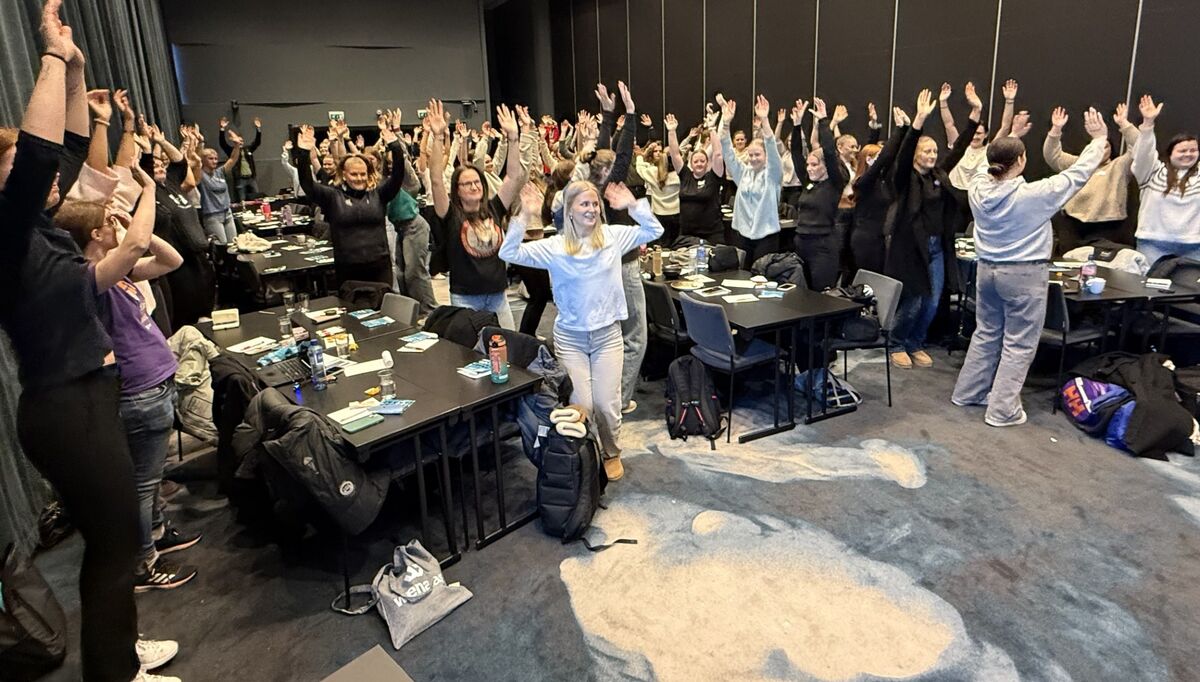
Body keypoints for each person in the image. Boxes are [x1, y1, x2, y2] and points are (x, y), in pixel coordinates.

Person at [0, 4, 179, 679]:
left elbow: (68, 154)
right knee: (114, 547)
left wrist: (75, 73)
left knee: (115, 546)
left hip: (88, 400)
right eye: (18, 166)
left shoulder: (44, 229)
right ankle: (116, 673)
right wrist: (48, 53)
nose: (43, 177)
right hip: (64, 407)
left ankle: (120, 650)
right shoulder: (6, 236)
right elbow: (43, 154)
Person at [59, 180, 203, 594]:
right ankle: (143, 562)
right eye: (108, 223)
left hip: (153, 384)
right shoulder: (90, 278)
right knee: (141, 483)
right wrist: (148, 191)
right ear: (93, 234)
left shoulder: (116, 274)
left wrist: (128, 223)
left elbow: (170, 259)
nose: (116, 228)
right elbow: (137, 245)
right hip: (138, 391)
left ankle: (155, 535)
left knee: (150, 478)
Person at [951, 107, 1111, 427]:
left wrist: (1010, 136)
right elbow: (1077, 174)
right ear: (1022, 161)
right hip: (1023, 275)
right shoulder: (1034, 194)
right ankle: (1002, 410)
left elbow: (987, 162)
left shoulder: (978, 187)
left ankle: (968, 392)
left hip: (987, 272)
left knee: (986, 333)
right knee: (1019, 344)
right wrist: (1099, 139)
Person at [500, 180, 663, 480]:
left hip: (607, 336)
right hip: (570, 338)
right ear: (570, 211)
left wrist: (632, 205)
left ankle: (611, 451)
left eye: (594, 203)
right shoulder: (555, 246)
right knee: (582, 404)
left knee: (607, 404)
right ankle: (586, 452)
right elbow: (508, 252)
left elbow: (655, 231)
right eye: (583, 204)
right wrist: (525, 216)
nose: (591, 209)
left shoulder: (614, 237)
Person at [885, 88, 980, 369]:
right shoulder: (904, 178)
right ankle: (898, 342)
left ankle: (916, 342)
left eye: (934, 151)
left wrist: (974, 116)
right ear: (915, 153)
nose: (932, 154)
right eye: (927, 150)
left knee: (933, 300)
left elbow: (959, 148)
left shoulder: (939, 174)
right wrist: (918, 122)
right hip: (910, 248)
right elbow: (901, 159)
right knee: (913, 300)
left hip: (938, 246)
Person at [429, 99, 526, 329]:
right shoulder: (450, 214)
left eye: (477, 182)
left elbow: (513, 177)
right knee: (471, 357)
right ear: (457, 190)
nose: (474, 186)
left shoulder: (494, 207)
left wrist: (513, 138)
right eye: (466, 184)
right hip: (466, 299)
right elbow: (435, 181)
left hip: (498, 297)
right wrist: (439, 137)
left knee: (506, 352)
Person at [295, 118, 406, 289]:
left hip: (379, 267)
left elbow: (398, 176)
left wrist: (395, 146)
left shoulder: (379, 195)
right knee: (352, 314)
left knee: (383, 312)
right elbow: (307, 184)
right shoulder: (332, 196)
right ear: (344, 174)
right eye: (354, 174)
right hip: (348, 270)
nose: (359, 178)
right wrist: (303, 153)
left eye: (363, 174)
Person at [142, 122, 216, 328]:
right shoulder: (148, 192)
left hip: (198, 258)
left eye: (160, 165)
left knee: (206, 310)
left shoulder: (171, 184)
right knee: (187, 316)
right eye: (154, 166)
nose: (159, 167)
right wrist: (149, 149)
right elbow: (147, 167)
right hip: (178, 265)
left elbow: (179, 161)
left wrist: (161, 141)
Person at [1043, 103, 1142, 252]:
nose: (1102, 149)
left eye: (1106, 146)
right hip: (1073, 223)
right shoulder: (1078, 163)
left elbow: (1138, 147)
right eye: (1098, 146)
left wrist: (1124, 124)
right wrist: (1055, 130)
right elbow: (1053, 156)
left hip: (1107, 226)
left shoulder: (1119, 165)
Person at [1130, 94, 1200, 264]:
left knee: (1192, 289)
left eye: (1193, 150)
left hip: (1194, 245)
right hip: (1153, 243)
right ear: (1170, 154)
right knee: (1149, 287)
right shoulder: (1153, 171)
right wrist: (1148, 124)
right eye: (1182, 151)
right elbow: (1143, 154)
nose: (1188, 154)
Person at [789, 97, 847, 289]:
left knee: (820, 296)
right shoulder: (808, 182)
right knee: (802, 295)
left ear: (826, 167)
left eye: (815, 164)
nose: (810, 168)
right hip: (801, 243)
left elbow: (830, 152)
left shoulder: (834, 183)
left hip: (822, 246)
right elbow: (796, 153)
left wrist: (823, 122)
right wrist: (797, 125)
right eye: (809, 165)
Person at [720, 95, 783, 266]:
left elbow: (771, 144)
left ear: (765, 156)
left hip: (766, 236)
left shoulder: (773, 175)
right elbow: (727, 151)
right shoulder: (743, 172)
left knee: (761, 278)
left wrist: (764, 120)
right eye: (751, 154)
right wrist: (725, 123)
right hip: (742, 233)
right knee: (741, 276)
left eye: (758, 155)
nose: (754, 158)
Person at [849, 106, 909, 277]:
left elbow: (893, 157)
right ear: (868, 160)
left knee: (882, 281)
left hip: (880, 237)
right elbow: (884, 158)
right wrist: (898, 129)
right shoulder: (863, 182)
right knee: (870, 282)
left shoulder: (883, 181)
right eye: (876, 157)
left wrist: (906, 130)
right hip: (865, 240)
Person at [944, 80, 1018, 191]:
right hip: (953, 196)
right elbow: (949, 125)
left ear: (986, 135)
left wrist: (1009, 101)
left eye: (978, 133)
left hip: (977, 197)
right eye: (973, 133)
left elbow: (1005, 127)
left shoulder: (990, 151)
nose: (974, 137)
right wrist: (943, 102)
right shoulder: (959, 148)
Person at [667, 114, 726, 243]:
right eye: (696, 161)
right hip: (687, 235)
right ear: (691, 163)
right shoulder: (685, 175)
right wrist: (671, 131)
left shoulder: (713, 177)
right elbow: (675, 154)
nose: (699, 164)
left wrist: (711, 129)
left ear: (707, 163)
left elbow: (717, 154)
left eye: (702, 161)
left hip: (712, 234)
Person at [198, 131, 241, 244]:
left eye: (216, 158)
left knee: (234, 244)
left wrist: (237, 145)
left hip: (227, 213)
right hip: (212, 216)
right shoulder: (200, 175)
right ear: (203, 160)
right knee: (223, 246)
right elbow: (195, 159)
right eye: (210, 158)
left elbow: (232, 159)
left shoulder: (219, 172)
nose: (214, 161)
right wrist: (200, 143)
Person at [635, 139, 680, 245]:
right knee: (675, 244)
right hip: (676, 214)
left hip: (658, 215)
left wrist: (640, 156)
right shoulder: (679, 176)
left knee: (659, 245)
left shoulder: (653, 172)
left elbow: (640, 168)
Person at [218, 116, 261, 202]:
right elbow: (222, 143)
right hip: (240, 179)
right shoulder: (231, 151)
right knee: (242, 200)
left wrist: (258, 129)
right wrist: (222, 129)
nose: (240, 142)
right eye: (238, 141)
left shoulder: (248, 149)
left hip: (251, 178)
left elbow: (257, 142)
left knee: (257, 198)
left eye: (241, 141)